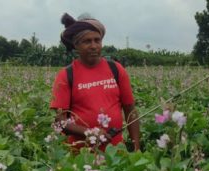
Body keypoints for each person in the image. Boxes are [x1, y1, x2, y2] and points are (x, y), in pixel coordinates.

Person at [50, 13, 141, 152]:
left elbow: (131, 111)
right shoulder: (66, 75)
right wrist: (89, 132)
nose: (94, 46)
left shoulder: (116, 69)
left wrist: (136, 149)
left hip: (115, 154)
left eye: (97, 40)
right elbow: (60, 121)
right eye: (87, 41)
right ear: (76, 45)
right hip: (80, 154)